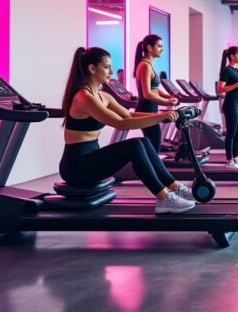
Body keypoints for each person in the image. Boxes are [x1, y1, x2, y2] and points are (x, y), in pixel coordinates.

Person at [59, 47, 195, 214]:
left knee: (143, 141)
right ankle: (164, 198)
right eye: (106, 67)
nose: (111, 71)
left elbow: (129, 114)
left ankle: (175, 187)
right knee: (134, 145)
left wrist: (164, 115)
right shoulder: (84, 98)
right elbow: (121, 123)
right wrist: (161, 117)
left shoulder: (103, 96)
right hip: (76, 167)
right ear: (92, 68)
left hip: (91, 160)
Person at [134, 35, 178, 152]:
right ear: (149, 47)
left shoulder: (148, 65)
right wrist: (167, 101)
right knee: (154, 147)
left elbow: (155, 89)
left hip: (150, 109)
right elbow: (147, 93)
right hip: (145, 110)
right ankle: (150, 170)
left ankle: (151, 169)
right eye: (159, 46)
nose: (161, 49)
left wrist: (169, 96)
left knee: (153, 146)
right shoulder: (144, 66)